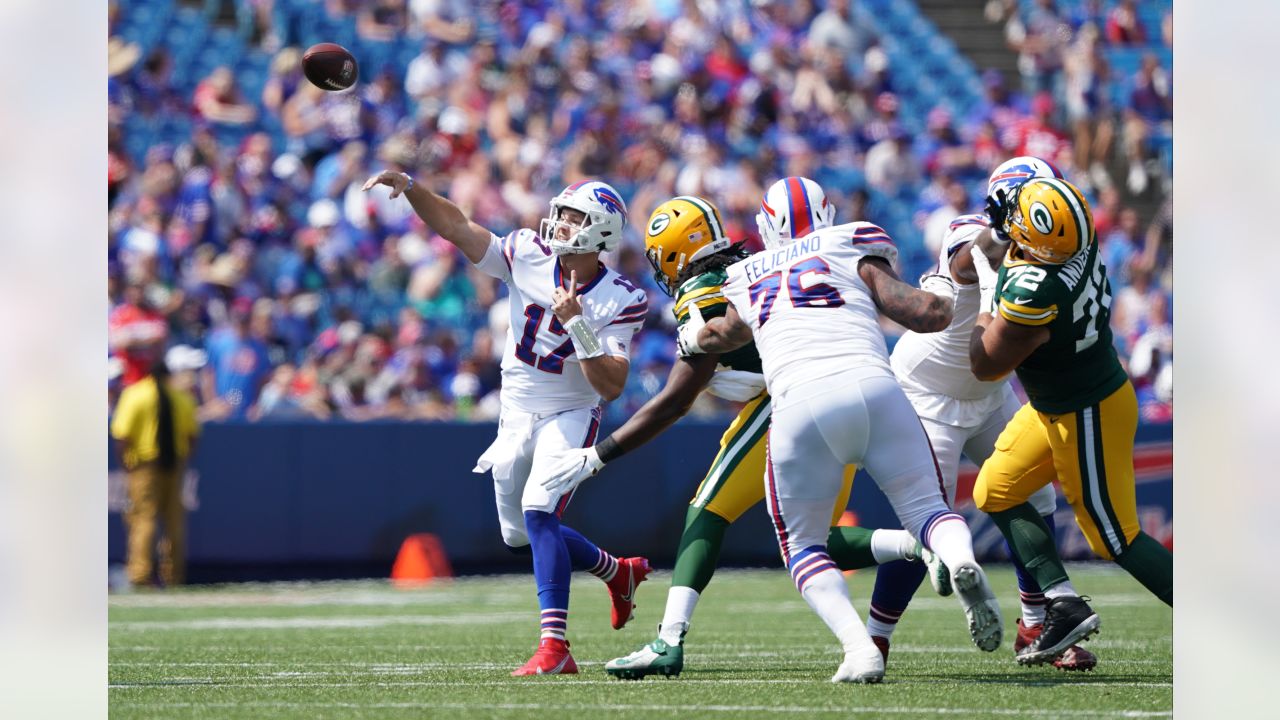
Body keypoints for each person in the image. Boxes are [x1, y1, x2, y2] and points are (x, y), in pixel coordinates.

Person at [541, 194, 933, 680]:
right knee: (818, 542)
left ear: (675, 255)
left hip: (787, 402)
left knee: (708, 510)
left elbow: (677, 399)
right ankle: (921, 545)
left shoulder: (702, 292)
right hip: (834, 389)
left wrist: (599, 456)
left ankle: (668, 641)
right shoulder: (752, 266)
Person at [678, 177, 1003, 683]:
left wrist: (693, 335)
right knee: (929, 511)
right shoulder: (849, 240)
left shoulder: (744, 273)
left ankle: (860, 649)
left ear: (767, 226)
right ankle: (959, 557)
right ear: (827, 215)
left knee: (803, 546)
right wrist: (945, 283)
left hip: (799, 406)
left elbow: (724, 334)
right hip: (874, 386)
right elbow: (927, 315)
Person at [362, 171, 651, 676]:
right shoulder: (528, 252)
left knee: (540, 510)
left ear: (600, 231)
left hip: (572, 409)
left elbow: (611, 387)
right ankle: (616, 571)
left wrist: (578, 324)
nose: (559, 223)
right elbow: (456, 226)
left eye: (573, 217)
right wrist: (411, 187)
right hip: (516, 409)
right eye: (561, 213)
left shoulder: (622, 297)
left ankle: (555, 648)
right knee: (519, 534)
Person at [870, 157, 1097, 671]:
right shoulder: (976, 231)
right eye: (1040, 198)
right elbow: (968, 260)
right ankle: (875, 639)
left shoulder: (1054, 242)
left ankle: (1036, 626)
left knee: (1036, 497)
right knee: (921, 518)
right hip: (928, 394)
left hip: (990, 392)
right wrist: (1003, 223)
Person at [969, 176, 1174, 666]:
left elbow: (984, 363)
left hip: (1086, 412)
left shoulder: (1033, 290)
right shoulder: (1075, 242)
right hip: (1058, 404)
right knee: (994, 490)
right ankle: (1062, 601)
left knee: (1116, 537)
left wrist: (983, 299)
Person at [110, 353, 201, 588]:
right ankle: (173, 575)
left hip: (144, 465)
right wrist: (183, 461)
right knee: (174, 521)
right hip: (174, 464)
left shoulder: (135, 395)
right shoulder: (181, 398)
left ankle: (140, 574)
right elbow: (192, 436)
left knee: (143, 519)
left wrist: (126, 466)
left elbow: (122, 436)